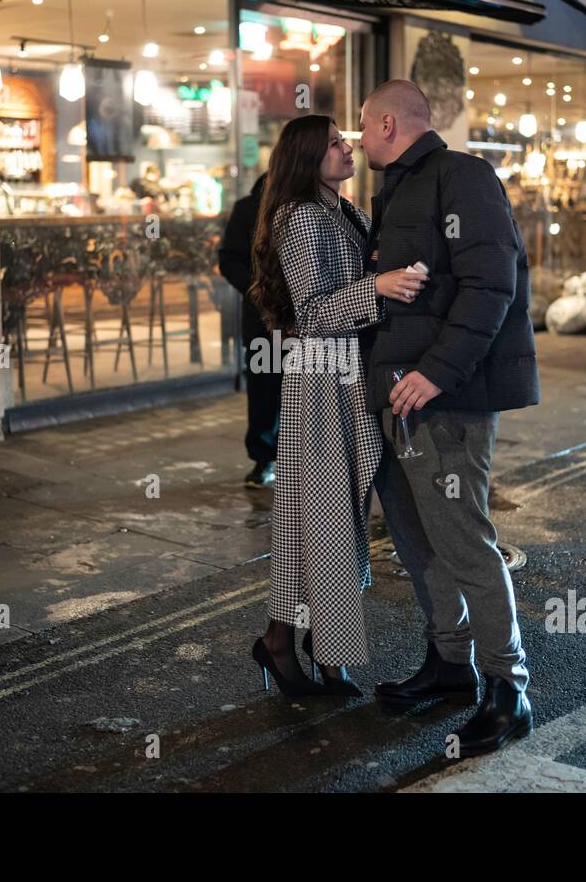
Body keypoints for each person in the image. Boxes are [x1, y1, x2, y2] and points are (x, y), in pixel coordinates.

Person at [358, 79, 539, 758]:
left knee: (464, 540)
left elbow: (493, 283)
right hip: (399, 397)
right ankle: (451, 663)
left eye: (362, 127)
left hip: (447, 400)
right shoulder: (402, 187)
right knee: (418, 542)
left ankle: (507, 686)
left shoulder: (461, 176)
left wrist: (437, 372)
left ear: (385, 123)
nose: (359, 139)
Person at [247, 114, 428, 697]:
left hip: (341, 375)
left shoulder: (342, 210)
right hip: (319, 377)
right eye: (332, 143)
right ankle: (304, 649)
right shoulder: (299, 217)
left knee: (326, 520)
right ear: (306, 157)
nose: (346, 146)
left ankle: (302, 644)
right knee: (323, 519)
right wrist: (375, 287)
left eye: (343, 138)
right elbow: (312, 313)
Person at [219, 174, 281, 488]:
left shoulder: (315, 205)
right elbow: (229, 259)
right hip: (264, 320)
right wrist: (258, 291)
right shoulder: (249, 208)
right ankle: (263, 457)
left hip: (307, 323)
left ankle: (295, 456)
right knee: (265, 390)